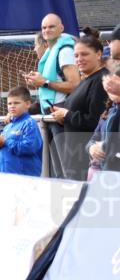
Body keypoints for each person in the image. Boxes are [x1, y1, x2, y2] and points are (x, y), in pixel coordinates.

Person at [46, 31, 109, 180]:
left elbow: (95, 121)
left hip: (87, 159)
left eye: (84, 54)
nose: (79, 59)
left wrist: (67, 115)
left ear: (98, 54)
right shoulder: (86, 81)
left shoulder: (101, 80)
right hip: (75, 155)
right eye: (76, 56)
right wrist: (63, 116)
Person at [0, 87, 42, 177]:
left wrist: (5, 141)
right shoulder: (8, 127)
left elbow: (30, 147)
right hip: (7, 176)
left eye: (16, 103)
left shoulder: (30, 124)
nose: (12, 106)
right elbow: (0, 149)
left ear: (28, 104)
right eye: (9, 103)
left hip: (25, 177)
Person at [24, 13, 79, 114]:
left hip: (62, 110)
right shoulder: (51, 52)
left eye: (51, 27)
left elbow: (75, 85)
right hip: (50, 109)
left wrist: (44, 82)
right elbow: (52, 80)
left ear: (61, 28)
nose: (46, 30)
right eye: (44, 28)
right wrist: (36, 80)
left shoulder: (65, 51)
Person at [87, 62, 120, 175]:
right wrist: (92, 148)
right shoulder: (108, 112)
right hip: (104, 173)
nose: (111, 89)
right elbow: (93, 139)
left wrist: (104, 146)